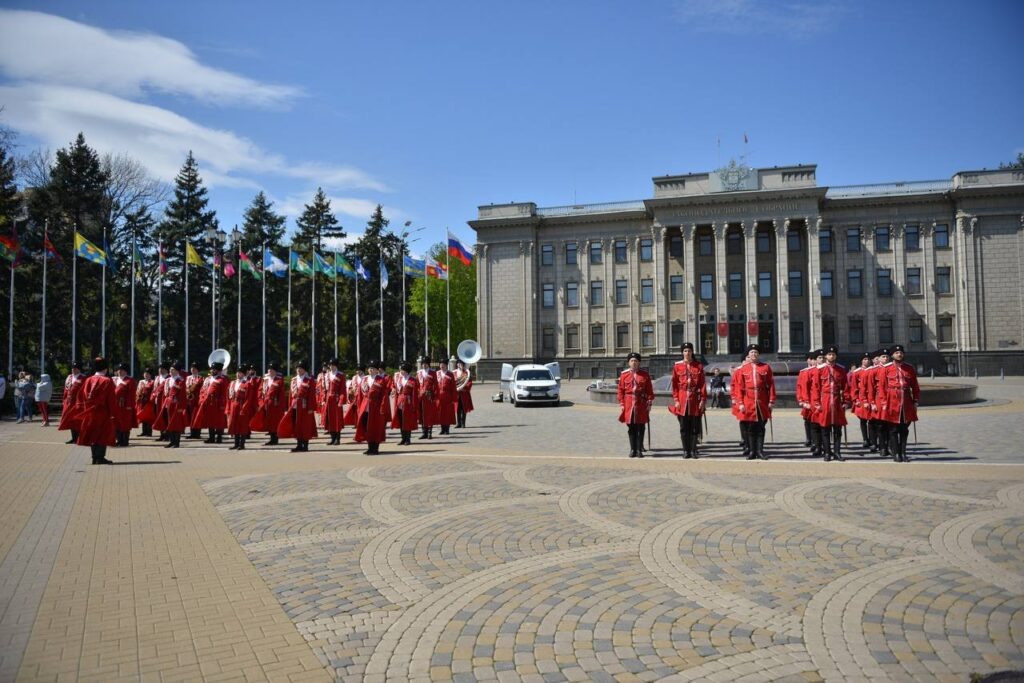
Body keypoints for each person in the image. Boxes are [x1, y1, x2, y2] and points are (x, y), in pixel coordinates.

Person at [731, 344, 776, 460]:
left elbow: (771, 385)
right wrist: (740, 403)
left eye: (756, 352)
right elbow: (739, 388)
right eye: (751, 352)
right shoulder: (743, 369)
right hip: (748, 401)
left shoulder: (765, 367)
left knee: (761, 427)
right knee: (750, 428)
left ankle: (760, 451)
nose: (754, 354)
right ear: (748, 355)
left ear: (759, 354)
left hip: (762, 401)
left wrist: (771, 400)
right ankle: (751, 451)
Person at [878, 345, 920, 462]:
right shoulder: (886, 369)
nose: (899, 354)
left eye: (901, 352)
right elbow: (882, 387)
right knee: (893, 430)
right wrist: (884, 402)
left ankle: (903, 452)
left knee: (904, 430)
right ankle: (896, 453)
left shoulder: (909, 368)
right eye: (896, 353)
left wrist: (915, 401)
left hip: (906, 403)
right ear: (892, 355)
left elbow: (915, 387)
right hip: (892, 402)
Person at [811, 346, 850, 462]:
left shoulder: (841, 370)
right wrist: (817, 403)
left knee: (838, 430)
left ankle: (837, 452)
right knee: (825, 429)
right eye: (829, 354)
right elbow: (815, 388)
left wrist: (846, 401)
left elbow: (846, 387)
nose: (831, 356)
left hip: (837, 401)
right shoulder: (819, 369)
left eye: (833, 354)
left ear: (836, 356)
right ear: (825, 356)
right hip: (825, 400)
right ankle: (827, 452)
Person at [76, 357, 118, 464]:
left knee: (93, 433)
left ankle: (94, 457)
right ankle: (100, 457)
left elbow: (83, 396)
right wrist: (112, 414)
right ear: (105, 369)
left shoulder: (88, 380)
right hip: (102, 411)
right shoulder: (107, 381)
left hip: (90, 411)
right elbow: (111, 399)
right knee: (102, 434)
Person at [669, 343, 706, 459]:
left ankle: (694, 450)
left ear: (692, 352)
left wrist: (703, 400)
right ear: (682, 352)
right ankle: (686, 450)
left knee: (695, 427)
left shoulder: (698, 366)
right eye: (685, 351)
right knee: (684, 428)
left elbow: (702, 384)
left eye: (689, 351)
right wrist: (676, 400)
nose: (687, 353)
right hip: (682, 398)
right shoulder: (677, 367)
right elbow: (674, 385)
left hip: (694, 400)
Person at [618, 352, 654, 458]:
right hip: (629, 404)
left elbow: (649, 391)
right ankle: (632, 449)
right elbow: (620, 390)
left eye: (636, 361)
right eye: (632, 361)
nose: (634, 363)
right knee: (631, 428)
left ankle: (639, 450)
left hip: (641, 403)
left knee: (640, 427)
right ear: (628, 363)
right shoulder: (624, 375)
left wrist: (649, 402)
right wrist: (621, 403)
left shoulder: (645, 375)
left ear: (639, 363)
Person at [278, 361, 317, 452]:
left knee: (305, 426)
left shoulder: (309, 379)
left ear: (305, 370)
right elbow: (291, 395)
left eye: (301, 368)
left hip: (305, 406)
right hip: (295, 406)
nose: (299, 370)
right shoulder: (294, 380)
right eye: (298, 368)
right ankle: (299, 444)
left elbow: (311, 395)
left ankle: (305, 445)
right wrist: (289, 407)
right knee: (297, 426)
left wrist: (311, 408)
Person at [356, 360, 390, 454]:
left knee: (375, 427)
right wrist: (359, 407)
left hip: (376, 407)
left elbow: (384, 395)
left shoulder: (380, 380)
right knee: (366, 426)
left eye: (373, 368)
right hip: (365, 406)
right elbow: (359, 395)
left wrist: (383, 407)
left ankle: (375, 448)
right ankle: (370, 447)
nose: (371, 370)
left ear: (377, 370)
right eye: (370, 368)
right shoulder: (364, 379)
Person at [192, 362, 229, 444]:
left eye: (214, 369)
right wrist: (201, 400)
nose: (212, 370)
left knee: (219, 421)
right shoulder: (207, 379)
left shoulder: (222, 380)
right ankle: (211, 437)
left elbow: (224, 393)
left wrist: (222, 405)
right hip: (208, 403)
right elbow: (202, 390)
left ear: (219, 370)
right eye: (212, 369)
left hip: (217, 403)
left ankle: (219, 438)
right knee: (210, 420)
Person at [250, 363, 286, 445]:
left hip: (275, 404)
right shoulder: (265, 380)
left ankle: (275, 439)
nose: (269, 371)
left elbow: (281, 394)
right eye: (269, 369)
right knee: (268, 421)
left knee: (275, 421)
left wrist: (280, 405)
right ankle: (271, 438)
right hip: (265, 404)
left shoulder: (279, 380)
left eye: (271, 369)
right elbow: (260, 391)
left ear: (275, 371)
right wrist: (260, 402)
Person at [155, 362, 188, 448]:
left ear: (177, 371)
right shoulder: (168, 380)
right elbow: (162, 391)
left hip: (176, 404)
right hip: (168, 403)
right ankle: (171, 441)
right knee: (169, 422)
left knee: (176, 423)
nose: (171, 371)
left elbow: (183, 395)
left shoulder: (180, 380)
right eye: (170, 369)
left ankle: (176, 442)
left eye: (173, 369)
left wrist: (181, 407)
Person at [796, 349, 822, 455]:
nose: (814, 361)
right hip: (810, 400)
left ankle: (819, 443)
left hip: (820, 400)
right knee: (809, 421)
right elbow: (801, 387)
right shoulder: (805, 372)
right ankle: (811, 440)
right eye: (813, 359)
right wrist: (803, 400)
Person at [58, 360, 87, 443]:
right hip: (69, 403)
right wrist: (64, 401)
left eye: (75, 368)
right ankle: (74, 438)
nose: (73, 370)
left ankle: (79, 438)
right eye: (72, 368)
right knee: (70, 420)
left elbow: (85, 391)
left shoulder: (83, 378)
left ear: (79, 369)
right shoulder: (69, 377)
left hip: (78, 403)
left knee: (78, 421)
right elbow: (66, 390)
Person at [392, 360, 419, 445]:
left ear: (406, 370)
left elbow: (415, 394)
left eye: (402, 370)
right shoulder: (399, 379)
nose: (401, 371)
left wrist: (414, 406)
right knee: (401, 421)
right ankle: (403, 438)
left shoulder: (413, 380)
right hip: (400, 401)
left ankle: (408, 439)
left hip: (408, 402)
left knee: (407, 421)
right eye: (400, 370)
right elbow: (397, 392)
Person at [849, 353, 872, 450]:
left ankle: (872, 439)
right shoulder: (856, 372)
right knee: (863, 420)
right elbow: (853, 387)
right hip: (861, 398)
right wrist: (855, 399)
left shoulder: (872, 370)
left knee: (872, 420)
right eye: (864, 359)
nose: (866, 361)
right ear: (861, 361)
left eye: (868, 359)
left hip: (871, 398)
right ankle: (865, 439)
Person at [227, 367, 253, 450]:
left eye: (240, 373)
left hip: (242, 405)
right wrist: (228, 408)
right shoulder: (232, 383)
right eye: (237, 372)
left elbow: (249, 398)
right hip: (233, 404)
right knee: (234, 424)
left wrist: (244, 408)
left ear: (244, 374)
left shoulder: (247, 384)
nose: (238, 374)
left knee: (242, 425)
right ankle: (236, 443)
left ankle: (242, 444)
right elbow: (228, 396)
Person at [112, 363, 137, 447]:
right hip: (115, 405)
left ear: (125, 371)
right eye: (119, 370)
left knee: (125, 423)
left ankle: (125, 441)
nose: (119, 371)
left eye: (121, 370)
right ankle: (118, 440)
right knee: (116, 423)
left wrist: (129, 405)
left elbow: (132, 394)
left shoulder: (130, 380)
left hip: (125, 405)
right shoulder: (114, 380)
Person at [323, 359, 347, 445]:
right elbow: (325, 389)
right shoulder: (327, 375)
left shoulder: (341, 375)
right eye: (330, 365)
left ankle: (338, 439)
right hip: (329, 399)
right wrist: (323, 399)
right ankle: (332, 438)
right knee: (330, 419)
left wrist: (341, 400)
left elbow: (343, 390)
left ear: (336, 366)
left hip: (336, 399)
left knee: (337, 420)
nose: (331, 366)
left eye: (333, 365)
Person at [434, 357, 457, 435]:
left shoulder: (450, 374)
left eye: (443, 364)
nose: (441, 366)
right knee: (440, 413)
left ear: (446, 365)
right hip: (439, 396)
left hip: (447, 396)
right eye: (440, 364)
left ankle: (447, 429)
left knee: (447, 413)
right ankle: (442, 429)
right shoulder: (437, 374)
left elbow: (453, 387)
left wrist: (454, 398)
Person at [417, 356, 437, 439]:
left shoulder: (433, 373)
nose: (424, 365)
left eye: (425, 364)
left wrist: (433, 395)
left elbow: (435, 385)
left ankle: (429, 433)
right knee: (422, 414)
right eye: (423, 364)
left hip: (429, 396)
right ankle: (423, 432)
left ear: (428, 365)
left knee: (429, 414)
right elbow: (417, 385)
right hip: (421, 396)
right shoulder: (419, 373)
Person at [135, 368, 156, 437]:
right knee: (142, 416)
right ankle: (144, 431)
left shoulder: (153, 382)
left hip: (149, 401)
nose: (146, 375)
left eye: (148, 374)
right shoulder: (141, 381)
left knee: (148, 417)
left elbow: (154, 391)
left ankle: (149, 432)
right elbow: (138, 390)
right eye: (145, 373)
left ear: (150, 375)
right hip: (141, 401)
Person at [453, 358, 474, 428]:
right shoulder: (454, 373)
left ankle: (463, 423)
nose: (459, 365)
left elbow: (469, 382)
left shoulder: (466, 373)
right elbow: (452, 383)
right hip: (456, 393)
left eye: (461, 364)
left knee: (463, 408)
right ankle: (458, 423)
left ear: (463, 365)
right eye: (458, 364)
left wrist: (464, 388)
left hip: (464, 393)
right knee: (457, 409)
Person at [185, 361, 204, 439]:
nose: (193, 369)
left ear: (197, 370)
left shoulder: (200, 378)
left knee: (196, 416)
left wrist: (191, 389)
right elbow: (185, 387)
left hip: (196, 399)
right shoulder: (188, 378)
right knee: (190, 416)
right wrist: (187, 391)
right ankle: (192, 432)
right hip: (189, 400)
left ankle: (197, 433)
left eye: (194, 368)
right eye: (192, 368)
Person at [152, 362, 170, 441]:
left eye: (162, 368)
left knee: (165, 418)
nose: (160, 370)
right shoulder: (157, 378)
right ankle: (162, 434)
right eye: (159, 368)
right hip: (157, 401)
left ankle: (167, 435)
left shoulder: (169, 378)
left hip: (164, 401)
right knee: (159, 417)